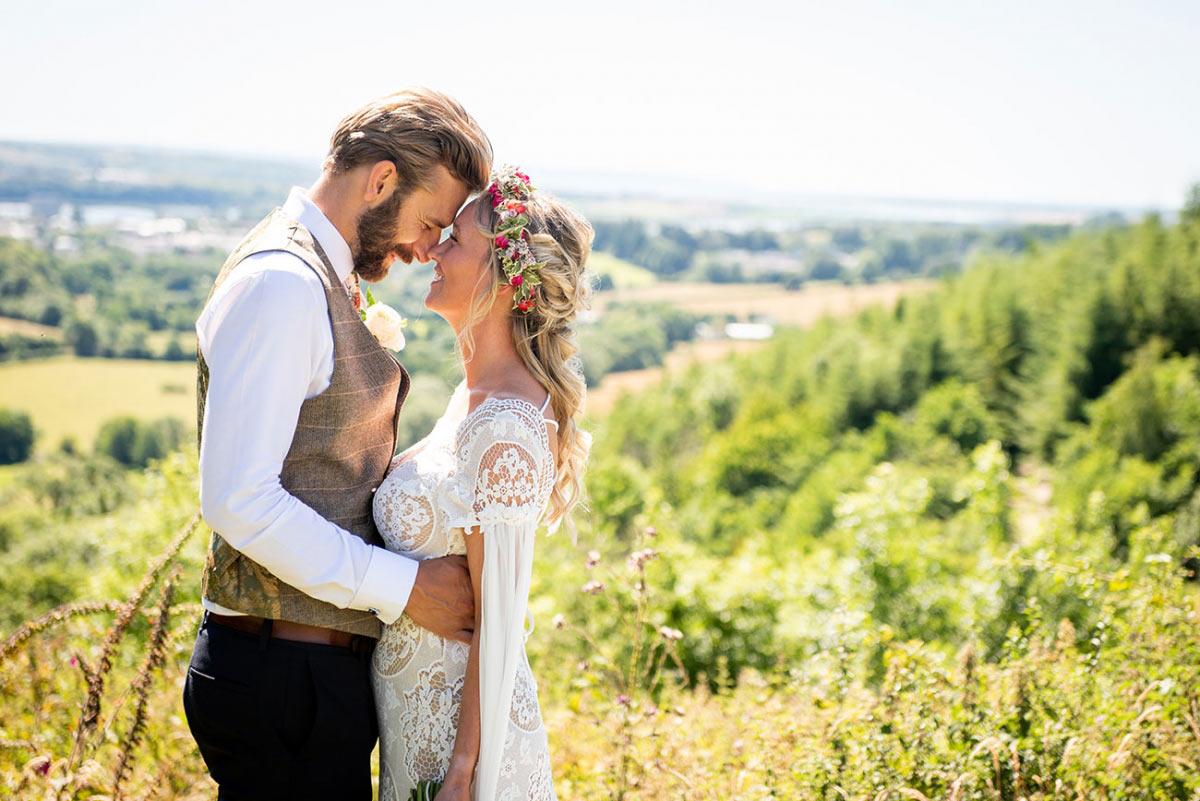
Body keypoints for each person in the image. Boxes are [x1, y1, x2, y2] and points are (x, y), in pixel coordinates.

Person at [183, 88, 492, 801]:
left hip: (306, 678)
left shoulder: (322, 277)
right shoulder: (282, 285)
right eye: (430, 220)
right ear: (381, 180)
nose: (427, 248)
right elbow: (238, 499)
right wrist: (405, 586)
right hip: (280, 680)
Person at [371, 166, 593, 800]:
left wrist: (467, 774)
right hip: (412, 730)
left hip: (462, 754)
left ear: (501, 279)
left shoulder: (505, 430)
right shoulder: (471, 400)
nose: (433, 249)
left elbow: (499, 623)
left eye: (457, 240)